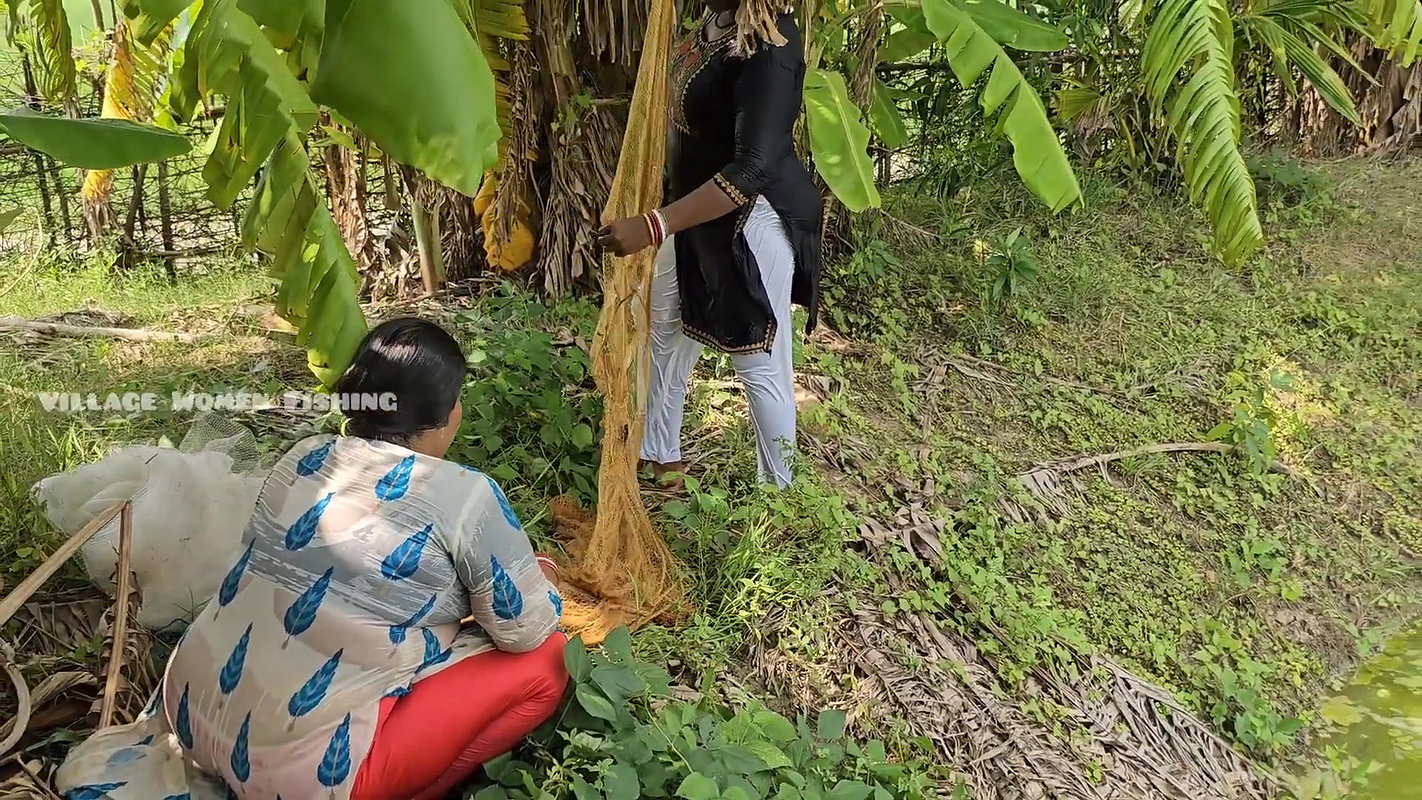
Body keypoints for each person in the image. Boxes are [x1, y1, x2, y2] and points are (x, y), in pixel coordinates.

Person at [56, 318, 568, 800]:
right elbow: (522, 630)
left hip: (190, 712)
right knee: (548, 662)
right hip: (300, 772)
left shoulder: (302, 456)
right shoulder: (466, 495)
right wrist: (541, 582)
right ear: (448, 410)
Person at [597, 0, 821, 490]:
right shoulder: (715, 22)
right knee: (666, 329)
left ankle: (780, 494)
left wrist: (654, 225)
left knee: (758, 359)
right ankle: (660, 454)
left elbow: (752, 168)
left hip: (751, 218)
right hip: (694, 211)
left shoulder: (772, 44)